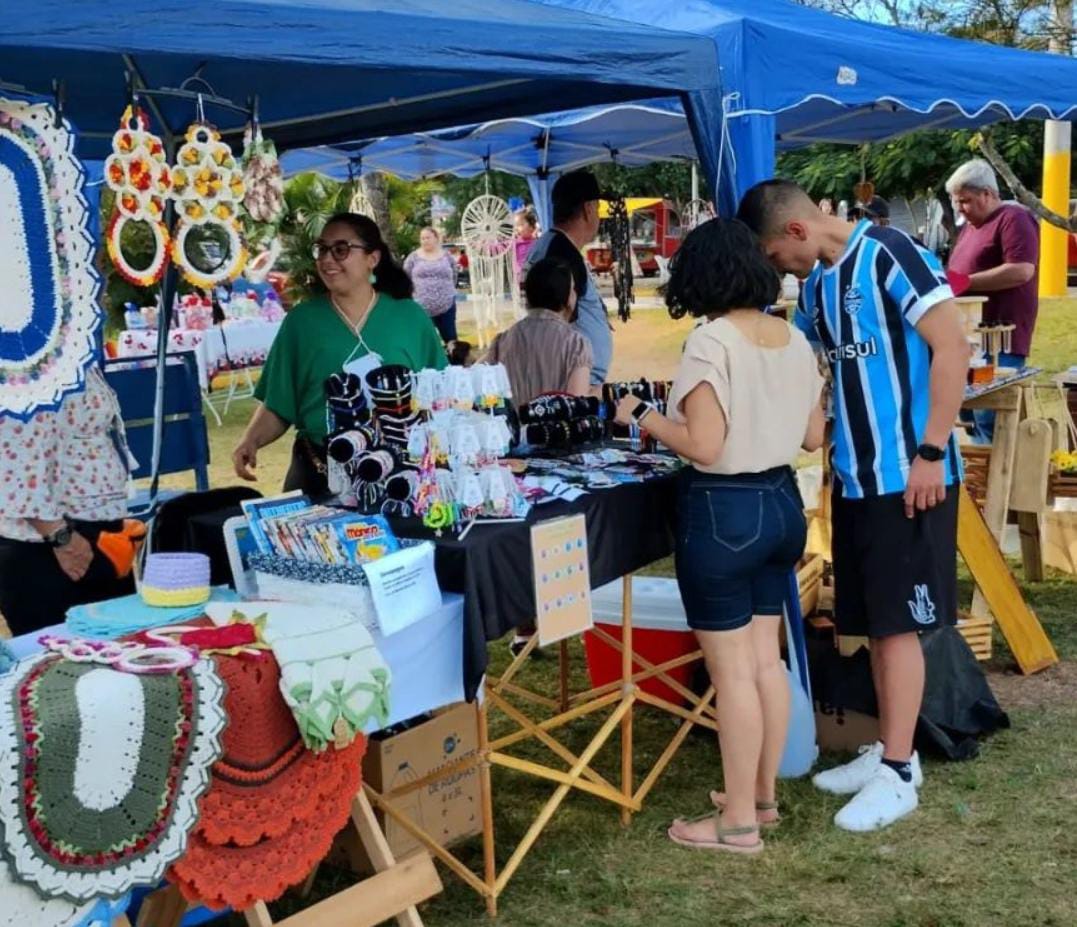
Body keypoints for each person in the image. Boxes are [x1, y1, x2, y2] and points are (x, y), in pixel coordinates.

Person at [738, 179, 969, 833]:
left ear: (794, 232)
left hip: (909, 475)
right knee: (868, 619)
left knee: (898, 625)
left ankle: (898, 771)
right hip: (854, 479)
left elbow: (952, 346)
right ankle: (890, 752)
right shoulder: (815, 288)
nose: (779, 272)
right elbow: (812, 370)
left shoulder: (890, 254)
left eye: (774, 258)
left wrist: (929, 451)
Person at [613, 218, 825, 855]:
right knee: (766, 662)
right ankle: (760, 799)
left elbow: (703, 445)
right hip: (783, 505)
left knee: (732, 673)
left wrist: (642, 415)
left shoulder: (709, 341)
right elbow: (815, 437)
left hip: (724, 512)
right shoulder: (792, 338)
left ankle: (737, 823)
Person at [233, 213, 447, 494]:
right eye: (322, 249)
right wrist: (251, 440)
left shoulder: (411, 317)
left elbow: (442, 396)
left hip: (399, 475)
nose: (327, 259)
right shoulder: (301, 321)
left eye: (341, 249)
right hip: (319, 473)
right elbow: (280, 401)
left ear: (372, 258)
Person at [0, 366, 143, 636]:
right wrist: (60, 537)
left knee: (119, 654)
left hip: (92, 536)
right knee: (63, 665)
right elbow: (13, 460)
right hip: (52, 548)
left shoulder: (66, 350)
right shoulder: (19, 362)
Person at [946, 159, 1039, 441]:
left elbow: (1021, 270)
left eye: (966, 201)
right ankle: (979, 481)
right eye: (957, 202)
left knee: (990, 416)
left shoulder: (1013, 218)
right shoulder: (971, 227)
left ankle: (996, 479)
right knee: (968, 414)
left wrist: (967, 282)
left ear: (987, 193)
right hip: (969, 337)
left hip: (1000, 339)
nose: (960, 209)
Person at [523, 170, 612, 388]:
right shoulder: (561, 254)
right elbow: (556, 321)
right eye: (598, 209)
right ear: (588, 209)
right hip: (574, 379)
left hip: (574, 375)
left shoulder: (553, 245)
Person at [484, 257, 593, 405]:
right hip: (556, 427)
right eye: (573, 288)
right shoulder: (576, 344)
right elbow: (577, 406)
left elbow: (479, 388)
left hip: (509, 427)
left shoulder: (502, 341)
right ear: (567, 297)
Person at [404, 226, 459, 343]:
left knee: (451, 339)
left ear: (436, 238)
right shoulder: (413, 257)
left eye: (428, 237)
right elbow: (405, 277)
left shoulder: (446, 256)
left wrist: (447, 291)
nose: (425, 241)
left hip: (447, 305)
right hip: (421, 307)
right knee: (424, 341)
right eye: (422, 238)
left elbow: (454, 275)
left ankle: (453, 361)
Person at [513, 208, 539, 282]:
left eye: (520, 225)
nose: (517, 228)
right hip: (520, 279)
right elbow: (501, 246)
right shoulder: (515, 242)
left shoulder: (537, 243)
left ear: (531, 226)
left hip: (534, 278)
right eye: (516, 226)